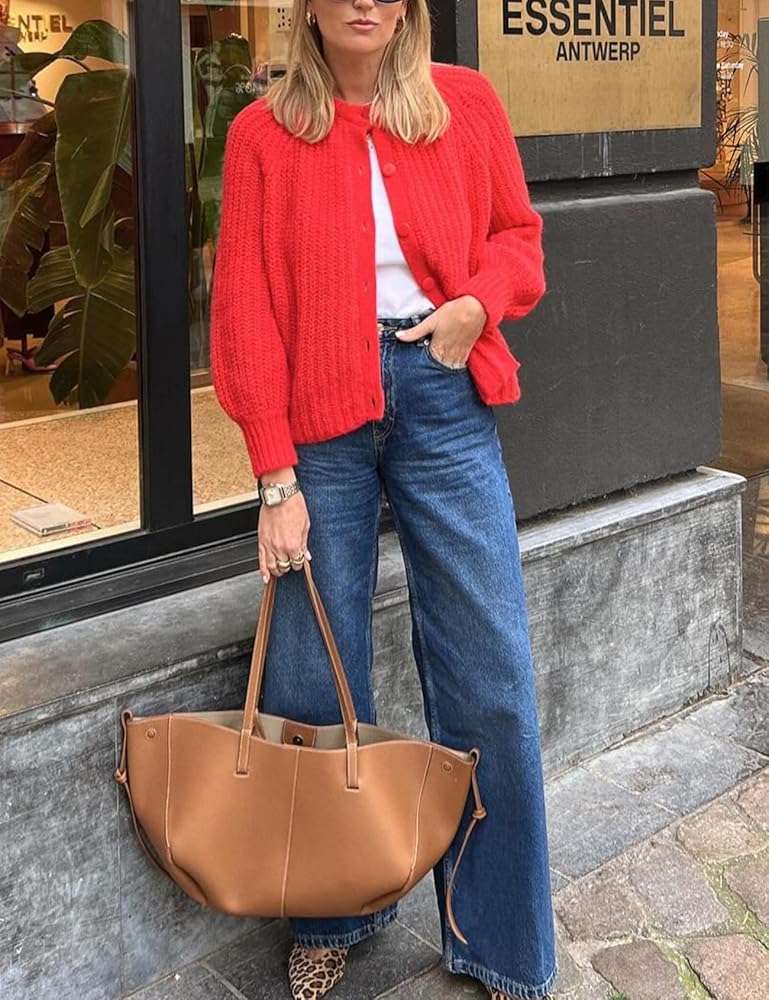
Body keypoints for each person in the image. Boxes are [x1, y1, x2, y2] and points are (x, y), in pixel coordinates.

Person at [209, 1, 559, 997]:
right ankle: (336, 910)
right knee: (311, 678)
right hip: (316, 423)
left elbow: (518, 235)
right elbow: (243, 306)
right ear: (307, 8)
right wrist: (273, 477)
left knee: (490, 665)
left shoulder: (465, 103)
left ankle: (500, 938)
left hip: (442, 394)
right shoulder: (262, 133)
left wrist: (476, 306)